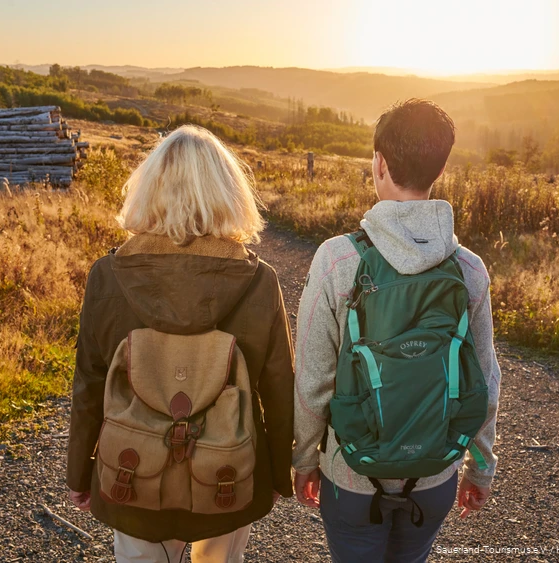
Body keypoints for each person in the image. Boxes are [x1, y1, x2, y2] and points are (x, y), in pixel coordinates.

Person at [66, 125, 295, 563]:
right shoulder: (258, 280)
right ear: (228, 192)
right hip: (228, 476)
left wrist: (80, 471)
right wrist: (278, 473)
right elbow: (278, 387)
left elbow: (89, 385)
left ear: (148, 189)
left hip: (129, 476)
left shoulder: (108, 275)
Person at [291, 99, 502, 562]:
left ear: (380, 163)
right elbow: (485, 382)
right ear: (438, 169)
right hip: (435, 475)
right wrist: (480, 468)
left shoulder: (337, 260)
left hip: (350, 477)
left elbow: (312, 381)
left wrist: (305, 459)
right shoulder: (469, 269)